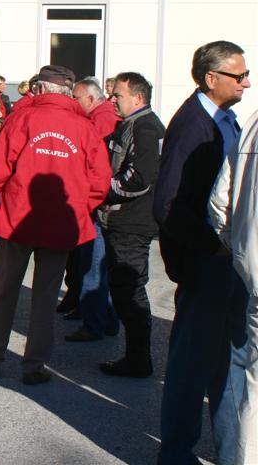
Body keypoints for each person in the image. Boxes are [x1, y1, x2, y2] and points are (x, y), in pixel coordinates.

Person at [0, 65, 110, 385]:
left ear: (40, 89)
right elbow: (99, 184)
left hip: (18, 218)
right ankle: (33, 365)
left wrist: (2, 201)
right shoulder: (85, 127)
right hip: (59, 223)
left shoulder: (21, 119)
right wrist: (78, 207)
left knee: (4, 292)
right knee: (46, 297)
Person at [154, 40, 250, 465]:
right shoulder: (193, 125)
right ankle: (176, 454)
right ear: (211, 79)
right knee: (193, 366)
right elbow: (168, 205)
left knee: (227, 364)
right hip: (206, 265)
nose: (247, 82)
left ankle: (233, 451)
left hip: (227, 264)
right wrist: (212, 250)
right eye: (239, 75)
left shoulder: (226, 119)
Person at [95, 72, 165, 378]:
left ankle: (138, 359)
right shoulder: (131, 124)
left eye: (118, 95)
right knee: (123, 288)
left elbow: (139, 178)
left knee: (130, 290)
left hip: (132, 223)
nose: (112, 100)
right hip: (122, 220)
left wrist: (100, 189)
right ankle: (135, 356)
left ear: (137, 98)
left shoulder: (146, 127)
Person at [209, 108, 258, 465]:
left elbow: (219, 202)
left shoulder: (253, 122)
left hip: (253, 272)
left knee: (254, 390)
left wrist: (239, 249)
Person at [63, 77, 120, 342]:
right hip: (97, 201)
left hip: (96, 204)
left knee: (93, 265)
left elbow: (92, 159)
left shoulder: (102, 119)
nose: (72, 103)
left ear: (89, 98)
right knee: (93, 263)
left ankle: (94, 322)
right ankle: (102, 319)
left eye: (75, 97)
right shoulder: (101, 116)